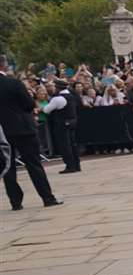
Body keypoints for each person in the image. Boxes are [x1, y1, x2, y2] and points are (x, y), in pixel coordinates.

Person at [0, 69, 60, 210]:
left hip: (2, 131)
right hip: (23, 128)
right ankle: (47, 197)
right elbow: (28, 104)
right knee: (34, 164)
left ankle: (15, 202)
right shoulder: (13, 83)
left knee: (8, 167)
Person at [40, 79, 81, 173]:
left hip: (62, 123)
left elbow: (46, 110)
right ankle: (76, 165)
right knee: (72, 144)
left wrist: (41, 108)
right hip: (72, 121)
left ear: (58, 88)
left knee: (65, 145)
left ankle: (70, 166)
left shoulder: (57, 98)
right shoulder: (71, 95)